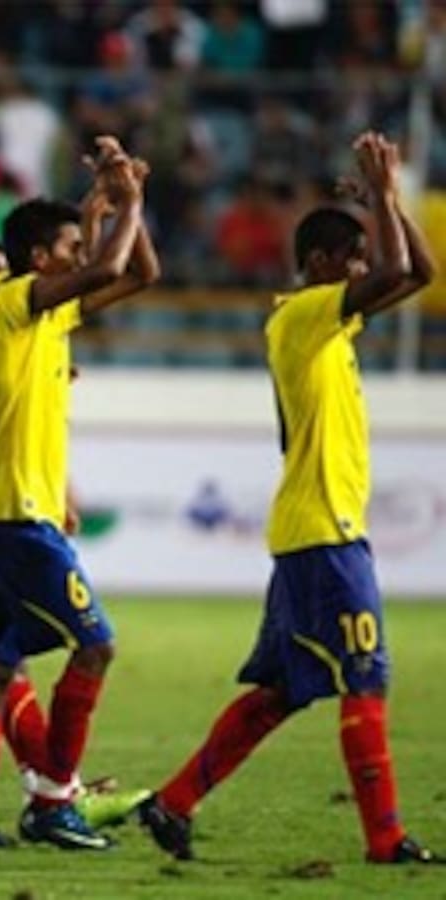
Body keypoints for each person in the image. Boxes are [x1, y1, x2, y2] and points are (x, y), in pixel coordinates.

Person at [138, 132, 441, 866]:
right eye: (353, 260)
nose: (366, 273)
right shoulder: (302, 316)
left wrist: (383, 207)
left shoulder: (329, 328)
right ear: (318, 266)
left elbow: (419, 271)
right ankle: (386, 839)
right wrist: (387, 197)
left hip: (315, 530)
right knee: (364, 679)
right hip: (325, 536)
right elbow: (401, 267)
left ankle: (170, 802)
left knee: (282, 690)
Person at [0, 138, 158, 850]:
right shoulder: (10, 302)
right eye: (67, 245)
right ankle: (52, 801)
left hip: (22, 512)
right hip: (15, 515)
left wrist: (127, 207)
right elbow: (106, 266)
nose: (79, 256)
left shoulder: (49, 313)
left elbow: (139, 271)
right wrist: (119, 204)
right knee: (94, 646)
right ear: (41, 259)